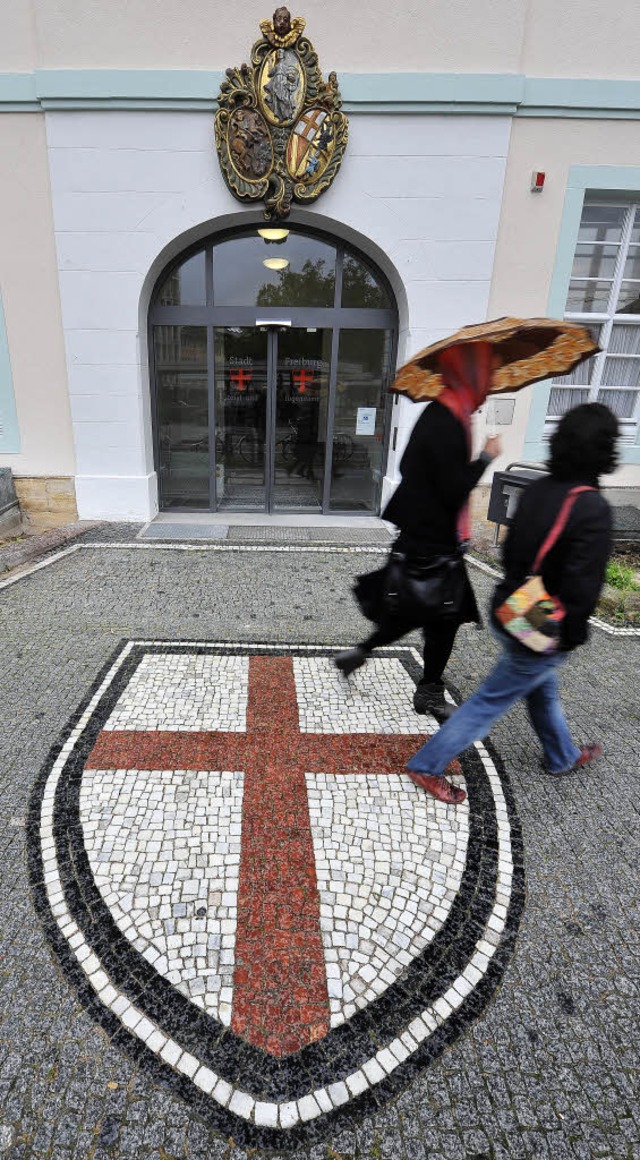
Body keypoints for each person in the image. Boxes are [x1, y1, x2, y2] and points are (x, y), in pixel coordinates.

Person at [404, 402, 618, 805]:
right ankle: (427, 764)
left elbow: (512, 550)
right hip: (543, 622)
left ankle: (561, 756)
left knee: (540, 686)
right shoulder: (591, 508)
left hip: (513, 602)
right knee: (492, 699)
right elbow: (582, 589)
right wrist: (564, 637)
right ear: (604, 450)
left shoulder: (538, 488)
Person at [334, 341, 501, 720]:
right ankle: (424, 690)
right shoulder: (446, 421)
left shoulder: (445, 415)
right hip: (433, 537)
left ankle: (363, 655)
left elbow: (413, 467)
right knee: (439, 613)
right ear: (469, 375)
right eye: (485, 375)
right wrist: (487, 458)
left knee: (424, 609)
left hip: (425, 533)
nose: (489, 385)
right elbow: (453, 487)